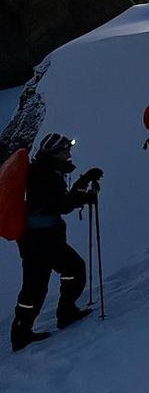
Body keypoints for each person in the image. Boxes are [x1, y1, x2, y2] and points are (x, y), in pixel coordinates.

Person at [10, 133, 100, 352]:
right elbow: (62, 205)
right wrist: (83, 189)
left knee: (57, 274)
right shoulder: (46, 175)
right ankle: (24, 332)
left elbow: (59, 202)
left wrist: (82, 183)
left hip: (36, 238)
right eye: (65, 150)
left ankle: (34, 326)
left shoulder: (42, 170)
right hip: (42, 239)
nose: (69, 153)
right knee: (41, 283)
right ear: (55, 153)